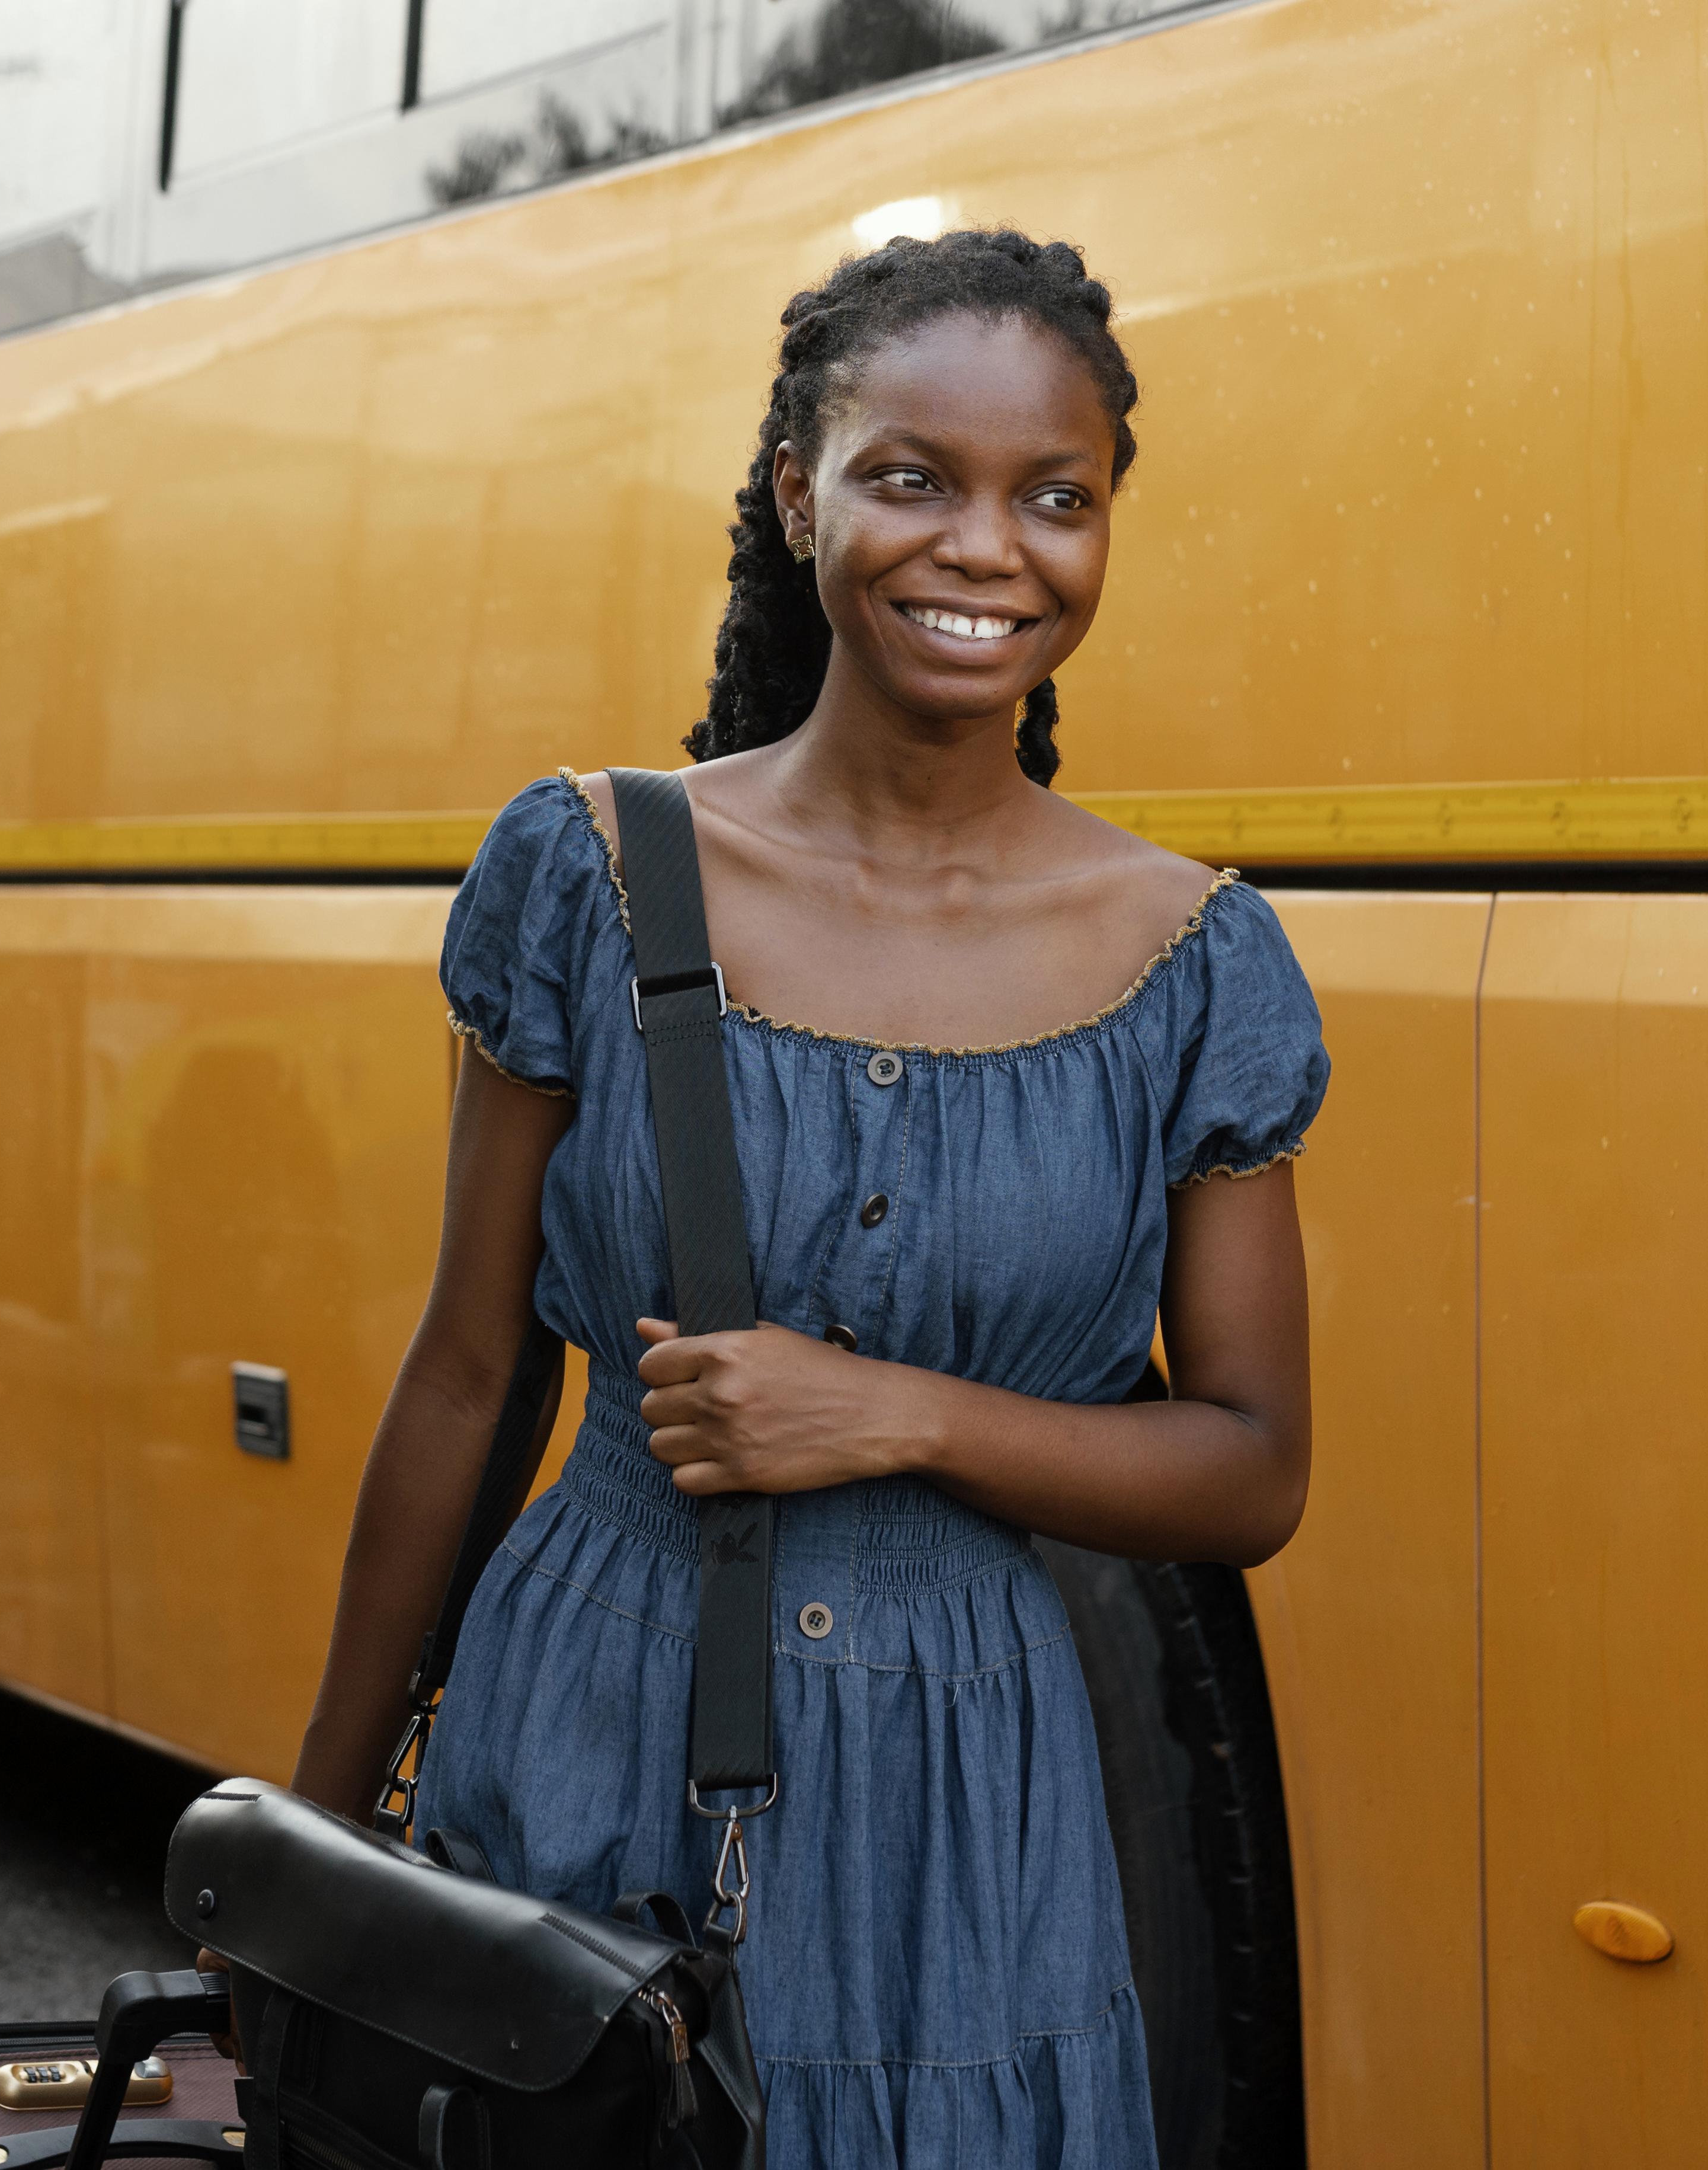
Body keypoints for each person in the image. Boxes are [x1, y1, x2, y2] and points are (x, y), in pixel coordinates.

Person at [291, 228, 1329, 2167]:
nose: (983, 550)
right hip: (589, 1715)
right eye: (911, 478)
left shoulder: (1195, 958)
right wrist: (304, 1856)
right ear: (798, 494)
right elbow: (460, 1374)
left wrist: (900, 1416)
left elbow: (1251, 1471)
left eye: (1055, 499)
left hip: (973, 1797)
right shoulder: (587, 872)